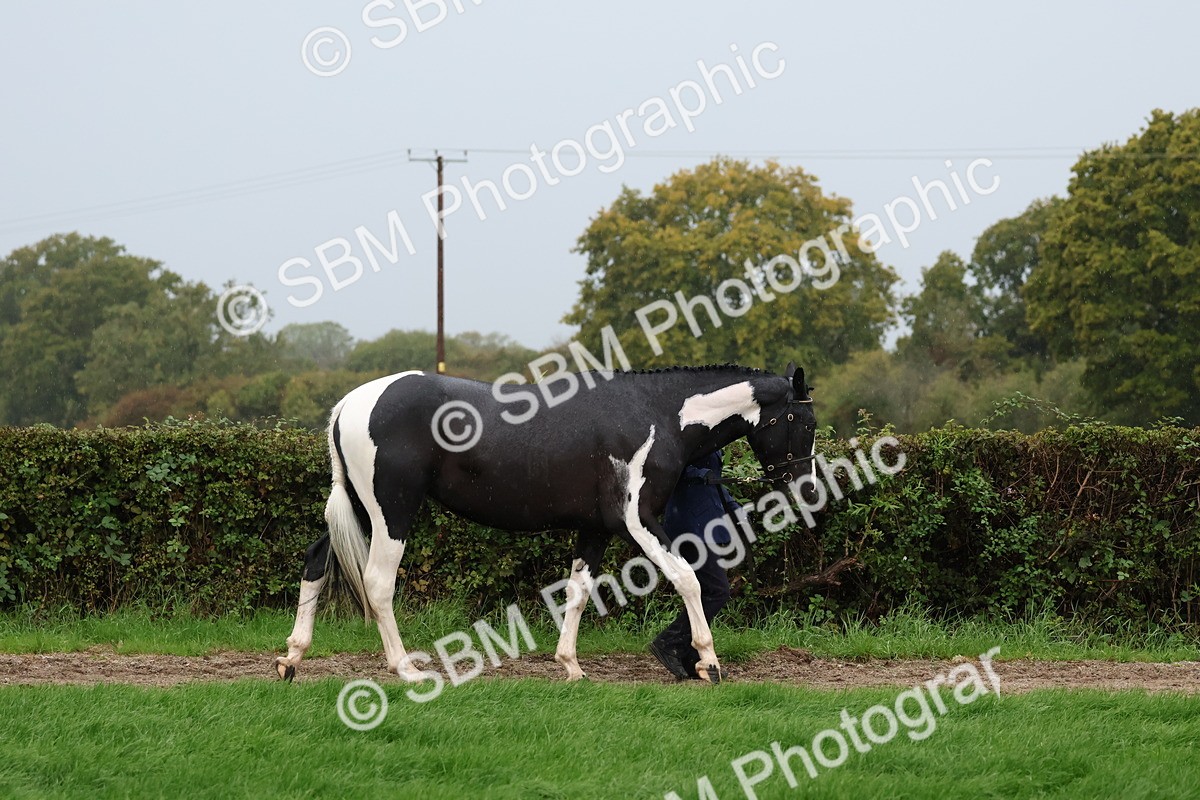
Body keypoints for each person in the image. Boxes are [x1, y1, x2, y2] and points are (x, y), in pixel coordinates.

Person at [649, 448, 742, 680]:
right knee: (717, 591)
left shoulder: (714, 441)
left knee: (704, 593)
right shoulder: (691, 437)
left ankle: (691, 656)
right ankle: (669, 641)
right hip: (688, 527)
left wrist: (734, 508)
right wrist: (700, 474)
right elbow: (672, 468)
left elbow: (716, 483)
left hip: (706, 525)